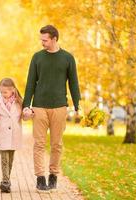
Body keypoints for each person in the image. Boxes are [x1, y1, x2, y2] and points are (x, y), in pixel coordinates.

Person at [23, 25, 81, 192]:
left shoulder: (67, 58)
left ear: (54, 39)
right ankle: (40, 178)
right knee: (39, 144)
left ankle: (53, 175)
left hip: (59, 107)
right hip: (39, 106)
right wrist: (27, 105)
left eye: (45, 40)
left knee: (56, 144)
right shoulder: (37, 57)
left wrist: (78, 105)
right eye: (41, 39)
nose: (42, 42)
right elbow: (30, 83)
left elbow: (74, 83)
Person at [0, 78, 23, 193]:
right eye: (1, 92)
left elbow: (24, 117)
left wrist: (30, 113)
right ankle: (5, 182)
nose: (3, 94)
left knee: (10, 159)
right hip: (3, 134)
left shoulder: (19, 102)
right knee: (4, 159)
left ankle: (6, 180)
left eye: (5, 92)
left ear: (12, 90)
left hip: (14, 135)